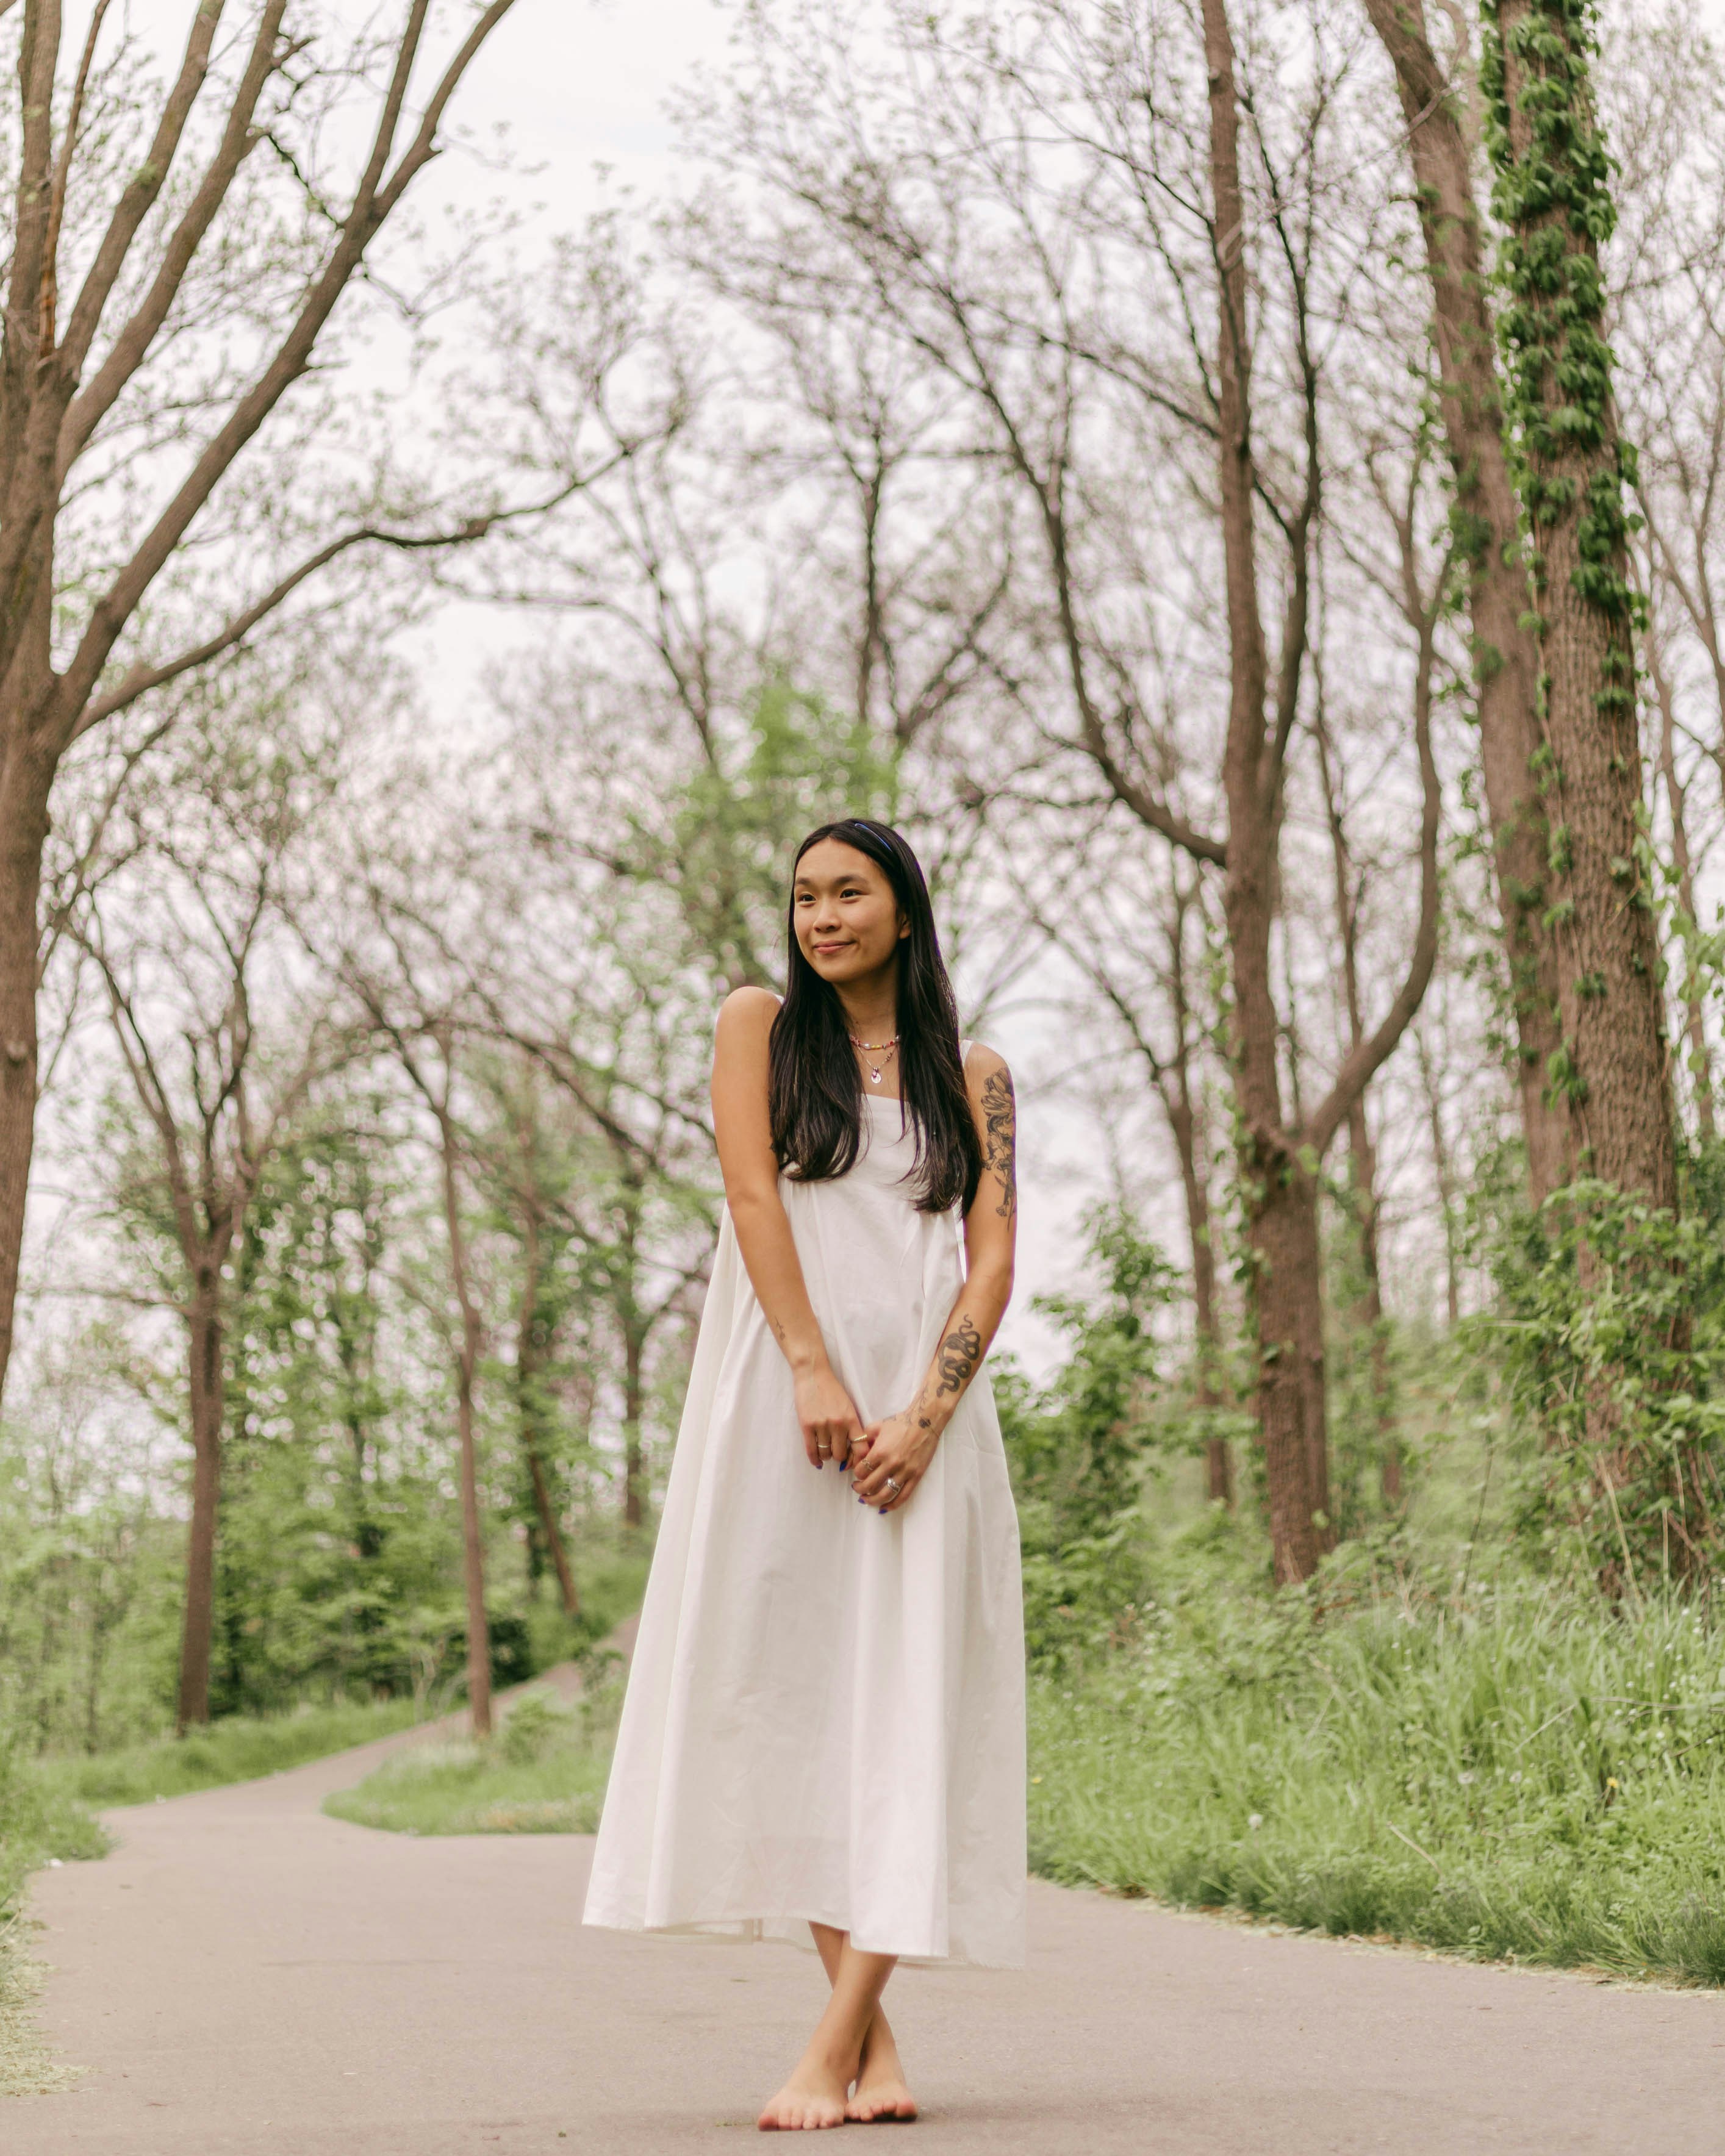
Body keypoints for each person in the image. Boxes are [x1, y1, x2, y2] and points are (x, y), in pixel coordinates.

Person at [583, 816, 1025, 2130]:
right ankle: (875, 2049)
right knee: (790, 1707)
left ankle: (829, 2048)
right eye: (804, 896)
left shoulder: (976, 1070)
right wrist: (810, 1366)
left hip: (922, 1437)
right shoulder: (760, 1030)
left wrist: (925, 1415)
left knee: (903, 1715)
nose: (821, 915)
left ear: (904, 910)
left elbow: (990, 1264)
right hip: (786, 1410)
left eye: (849, 892)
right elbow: (753, 1198)